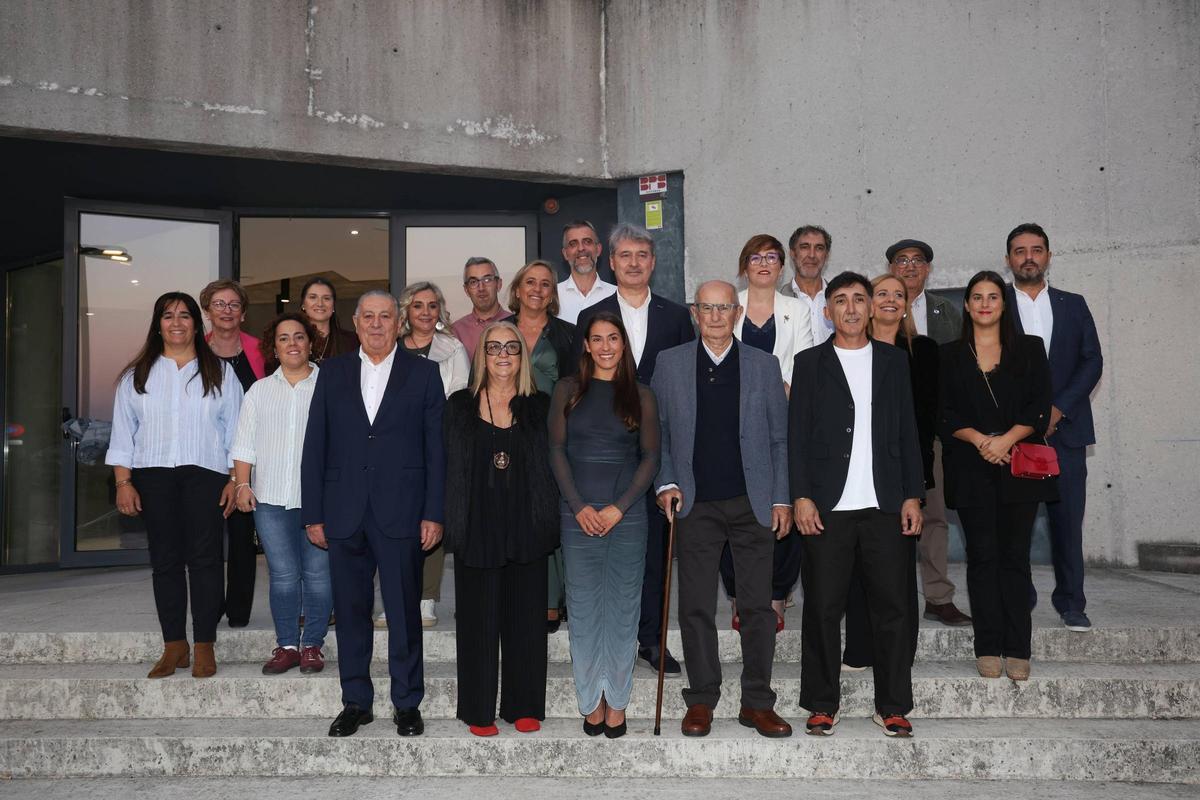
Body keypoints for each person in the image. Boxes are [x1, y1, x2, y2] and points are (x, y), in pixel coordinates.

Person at [301, 290, 446, 738]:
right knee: (350, 613)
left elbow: (435, 451)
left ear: (398, 322)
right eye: (369, 317)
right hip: (344, 512)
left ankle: (406, 703)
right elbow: (315, 445)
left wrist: (433, 512)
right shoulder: (331, 372)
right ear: (357, 322)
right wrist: (313, 513)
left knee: (404, 613)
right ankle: (356, 702)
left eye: (386, 316)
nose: (377, 324)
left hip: (402, 512)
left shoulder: (424, 373)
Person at [653, 281, 793, 739]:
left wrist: (780, 497)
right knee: (694, 607)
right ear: (695, 312)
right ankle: (702, 700)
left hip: (752, 502)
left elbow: (778, 439)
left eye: (724, 307)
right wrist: (667, 482)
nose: (715, 315)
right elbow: (661, 435)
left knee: (756, 607)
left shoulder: (763, 365)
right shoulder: (670, 364)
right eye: (707, 307)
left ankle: (757, 702)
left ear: (737, 312)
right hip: (694, 503)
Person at [790, 271, 924, 738]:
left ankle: (892, 705)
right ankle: (822, 703)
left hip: (885, 504)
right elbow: (797, 437)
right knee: (823, 608)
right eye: (840, 300)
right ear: (827, 312)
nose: (850, 308)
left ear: (871, 309)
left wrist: (913, 494)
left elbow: (909, 432)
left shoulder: (893, 362)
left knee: (893, 609)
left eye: (859, 300)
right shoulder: (808, 363)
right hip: (828, 507)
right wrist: (801, 496)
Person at [575, 222, 695, 676]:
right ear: (611, 261)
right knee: (606, 551)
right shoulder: (593, 314)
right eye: (624, 255)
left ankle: (651, 640)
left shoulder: (677, 316)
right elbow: (580, 387)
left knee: (655, 551)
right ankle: (610, 639)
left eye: (642, 255)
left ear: (653, 262)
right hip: (605, 451)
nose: (633, 263)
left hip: (658, 449)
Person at [105, 292, 243, 679]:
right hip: (153, 475)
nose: (177, 322)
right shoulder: (137, 377)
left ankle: (203, 646)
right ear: (158, 324)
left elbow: (236, 431)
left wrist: (236, 479)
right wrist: (123, 482)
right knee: (164, 562)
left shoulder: (219, 371)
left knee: (206, 559)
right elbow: (123, 436)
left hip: (207, 474)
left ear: (197, 325)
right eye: (168, 316)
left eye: (185, 315)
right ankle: (174, 646)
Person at [442, 321, 559, 737]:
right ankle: (478, 708)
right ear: (482, 356)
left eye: (512, 347)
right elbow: (447, 470)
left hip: (527, 524)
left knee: (526, 621)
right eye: (494, 348)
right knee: (477, 623)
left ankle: (524, 705)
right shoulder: (458, 406)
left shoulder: (540, 406)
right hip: (477, 526)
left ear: (522, 356)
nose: (503, 355)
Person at [940, 270, 1056, 681]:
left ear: (1004, 304)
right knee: (982, 558)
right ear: (967, 305)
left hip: (1019, 465)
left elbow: (1041, 407)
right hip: (971, 468)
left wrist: (1006, 440)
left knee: (1014, 558)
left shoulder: (1029, 348)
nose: (985, 303)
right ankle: (987, 646)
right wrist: (979, 440)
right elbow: (944, 413)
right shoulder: (949, 355)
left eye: (993, 296)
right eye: (977, 297)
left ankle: (1018, 648)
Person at [549, 311, 660, 739]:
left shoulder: (642, 395)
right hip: (576, 514)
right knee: (582, 608)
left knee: (622, 609)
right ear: (586, 345)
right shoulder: (566, 390)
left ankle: (617, 701)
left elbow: (651, 457)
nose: (606, 346)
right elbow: (556, 451)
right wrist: (578, 506)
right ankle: (590, 701)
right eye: (597, 339)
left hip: (627, 517)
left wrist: (618, 508)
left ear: (623, 343)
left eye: (613, 338)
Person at [1004, 223, 1102, 632]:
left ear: (1048, 255)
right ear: (1008, 259)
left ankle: (1071, 603)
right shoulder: (995, 304)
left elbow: (1091, 361)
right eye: (1020, 250)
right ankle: (1019, 600)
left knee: (1067, 522)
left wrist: (1059, 408)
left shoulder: (1073, 304)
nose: (1029, 256)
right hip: (1013, 436)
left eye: (1036, 249)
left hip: (1066, 433)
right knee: (1016, 526)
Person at [841, 274, 939, 671]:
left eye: (898, 295)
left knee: (896, 576)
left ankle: (899, 653)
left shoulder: (921, 351)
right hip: (853, 477)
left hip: (900, 472)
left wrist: (912, 485)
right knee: (856, 571)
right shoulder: (848, 351)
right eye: (881, 293)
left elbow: (923, 420)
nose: (890, 300)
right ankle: (860, 648)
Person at [719, 234, 813, 631]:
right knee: (729, 507)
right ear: (744, 265)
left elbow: (803, 361)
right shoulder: (729, 304)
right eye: (755, 257)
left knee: (782, 502)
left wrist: (776, 393)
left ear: (781, 265)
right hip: (729, 421)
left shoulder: (798, 309)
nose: (763, 263)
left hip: (784, 419)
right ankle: (741, 597)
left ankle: (776, 597)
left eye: (771, 257)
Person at [231, 312, 330, 675]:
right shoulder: (259, 390)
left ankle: (313, 645)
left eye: (299, 337)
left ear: (310, 342)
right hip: (270, 499)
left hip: (319, 500)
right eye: (285, 338)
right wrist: (242, 484)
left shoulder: (328, 386)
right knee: (284, 575)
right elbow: (244, 444)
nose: (293, 344)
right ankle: (287, 644)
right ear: (274, 347)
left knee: (319, 576)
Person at [885, 239, 972, 627]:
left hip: (930, 433)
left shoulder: (945, 311)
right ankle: (888, 596)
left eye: (917, 260)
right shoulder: (872, 318)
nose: (909, 266)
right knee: (885, 521)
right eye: (901, 260)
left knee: (933, 516)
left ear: (927, 269)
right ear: (890, 267)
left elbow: (958, 370)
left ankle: (937, 596)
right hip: (882, 438)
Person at [393, 281, 470, 628]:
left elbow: (458, 397)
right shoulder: (390, 348)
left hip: (437, 444)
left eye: (432, 305)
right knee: (394, 520)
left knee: (431, 519)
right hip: (394, 447)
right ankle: (395, 595)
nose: (425, 312)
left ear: (440, 311)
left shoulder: (452, 348)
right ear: (407, 311)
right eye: (418, 306)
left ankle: (426, 598)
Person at [509, 259, 576, 631]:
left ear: (553, 294)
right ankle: (526, 594)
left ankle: (555, 599)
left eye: (545, 284)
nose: (537, 289)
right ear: (517, 290)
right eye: (529, 282)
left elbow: (579, 389)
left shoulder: (567, 334)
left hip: (554, 438)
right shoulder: (499, 332)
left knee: (554, 514)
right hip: (508, 437)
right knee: (519, 515)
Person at [200, 279, 265, 628]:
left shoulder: (261, 350)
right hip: (206, 459)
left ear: (243, 312)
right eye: (219, 304)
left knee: (242, 538)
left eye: (234, 305)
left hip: (250, 460)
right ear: (207, 311)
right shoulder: (194, 352)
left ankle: (238, 611)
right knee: (207, 539)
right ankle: (208, 607)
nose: (226, 311)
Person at [779, 224, 835, 345]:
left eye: (819, 248)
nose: (812, 255)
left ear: (827, 256)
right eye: (805, 247)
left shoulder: (839, 299)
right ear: (792, 254)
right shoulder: (777, 300)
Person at [556, 220, 616, 324]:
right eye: (573, 244)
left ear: (598, 249)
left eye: (587, 242)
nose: (581, 248)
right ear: (565, 254)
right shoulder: (553, 296)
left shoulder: (617, 295)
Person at [451, 257, 512, 358]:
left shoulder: (516, 324)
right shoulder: (455, 332)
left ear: (499, 284)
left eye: (487, 280)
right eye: (473, 282)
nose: (481, 288)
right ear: (466, 290)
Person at [298, 277, 358, 364]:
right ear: (303, 304)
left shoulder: (352, 341)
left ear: (333, 305)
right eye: (313, 297)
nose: (320, 304)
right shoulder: (293, 340)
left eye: (326, 298)